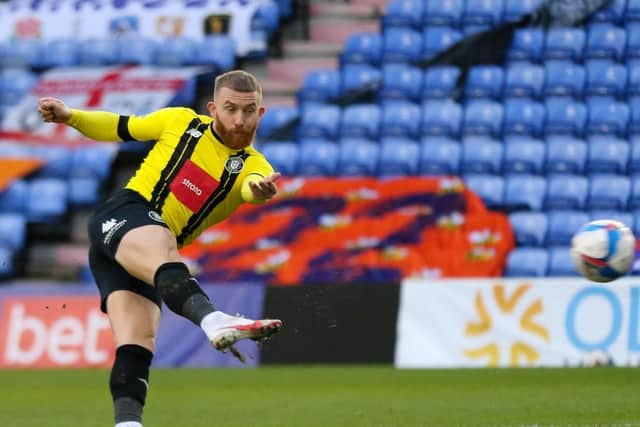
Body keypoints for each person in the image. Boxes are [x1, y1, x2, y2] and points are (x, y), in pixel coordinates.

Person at [37, 70, 282, 427]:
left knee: (137, 344)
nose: (239, 120)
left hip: (138, 256)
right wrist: (71, 116)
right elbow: (122, 127)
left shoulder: (254, 166)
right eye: (230, 109)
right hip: (125, 214)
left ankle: (127, 423)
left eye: (249, 111)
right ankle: (213, 320)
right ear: (213, 109)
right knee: (165, 245)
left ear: (261, 113)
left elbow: (251, 187)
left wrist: (259, 191)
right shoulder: (180, 122)